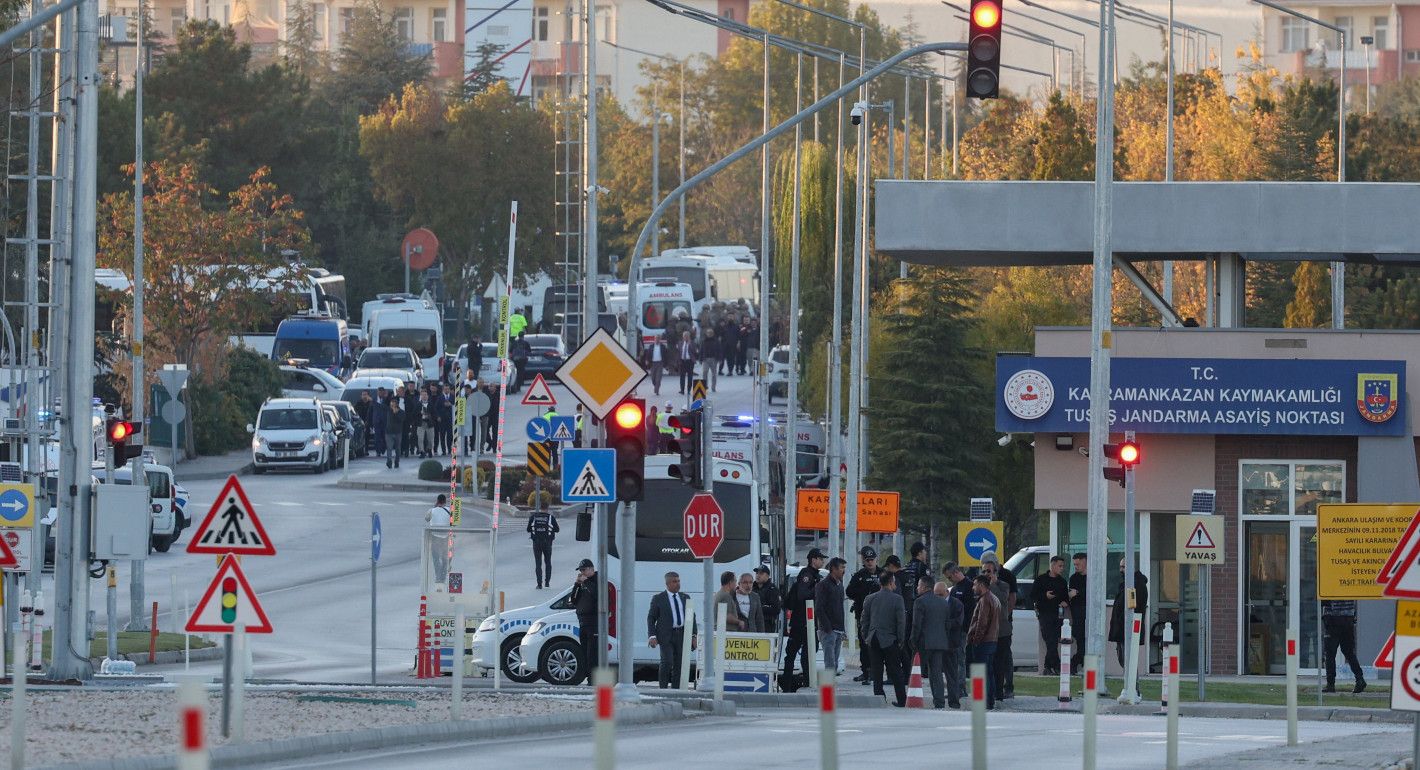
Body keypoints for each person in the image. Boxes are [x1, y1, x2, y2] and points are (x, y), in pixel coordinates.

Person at [913, 581, 964, 709]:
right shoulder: (940, 603)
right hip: (940, 642)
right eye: (936, 594)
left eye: (940, 594)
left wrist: (913, 640)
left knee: (948, 674)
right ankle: (939, 701)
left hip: (941, 643)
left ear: (947, 592)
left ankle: (951, 701)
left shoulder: (955, 604)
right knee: (935, 673)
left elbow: (958, 622)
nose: (938, 597)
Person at [780, 548, 826, 691]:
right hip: (801, 622)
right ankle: (791, 683)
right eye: (820, 558)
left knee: (809, 654)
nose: (823, 561)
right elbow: (802, 595)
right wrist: (818, 589)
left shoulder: (815, 575)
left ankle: (807, 682)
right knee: (795, 654)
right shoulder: (806, 574)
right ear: (813, 560)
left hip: (810, 622)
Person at [861, 572, 907, 707]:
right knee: (896, 670)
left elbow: (864, 620)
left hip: (873, 638)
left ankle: (879, 698)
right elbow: (900, 622)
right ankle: (901, 700)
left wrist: (866, 637)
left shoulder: (870, 598)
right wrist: (900, 639)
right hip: (890, 639)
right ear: (891, 582)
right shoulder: (897, 599)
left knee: (877, 670)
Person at [647, 571, 694, 689]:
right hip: (665, 635)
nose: (678, 584)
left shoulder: (685, 597)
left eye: (678, 581)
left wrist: (693, 635)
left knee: (679, 663)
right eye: (674, 581)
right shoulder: (658, 598)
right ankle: (663, 688)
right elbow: (651, 617)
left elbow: (691, 616)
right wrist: (652, 636)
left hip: (682, 634)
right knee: (667, 661)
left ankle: (676, 689)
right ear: (667, 583)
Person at [981, 551, 1017, 698]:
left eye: (988, 569)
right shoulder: (982, 579)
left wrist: (1004, 616)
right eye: (984, 569)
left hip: (1003, 622)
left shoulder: (1007, 577)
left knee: (1004, 656)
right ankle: (991, 688)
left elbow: (1010, 598)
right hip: (987, 625)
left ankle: (1007, 686)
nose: (986, 572)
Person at [846, 546, 882, 683]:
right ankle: (866, 671)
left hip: (880, 616)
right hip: (863, 615)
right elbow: (849, 592)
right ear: (863, 560)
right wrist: (862, 592)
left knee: (878, 643)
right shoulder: (859, 575)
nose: (870, 562)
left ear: (876, 559)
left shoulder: (882, 574)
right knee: (864, 643)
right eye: (867, 560)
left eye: (872, 559)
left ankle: (876, 670)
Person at [1031, 555, 1070, 675]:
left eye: (1063, 566)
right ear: (1052, 565)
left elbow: (1065, 597)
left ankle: (1048, 667)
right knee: (1049, 640)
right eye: (1059, 566)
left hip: (1057, 615)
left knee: (1053, 641)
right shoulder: (1041, 579)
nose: (1061, 568)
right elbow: (1032, 596)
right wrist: (1045, 596)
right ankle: (1056, 666)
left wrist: (1065, 602)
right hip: (1044, 614)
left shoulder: (1062, 582)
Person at [967, 574, 1001, 709]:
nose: (973, 587)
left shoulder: (985, 600)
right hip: (992, 641)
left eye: (975, 585)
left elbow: (982, 623)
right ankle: (989, 701)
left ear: (981, 585)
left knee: (980, 672)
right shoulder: (994, 598)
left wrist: (975, 640)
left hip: (983, 641)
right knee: (989, 673)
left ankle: (981, 701)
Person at [1109, 561, 1150, 674]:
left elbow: (1134, 607)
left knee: (1128, 660)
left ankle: (1133, 687)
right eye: (1120, 566)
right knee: (1123, 659)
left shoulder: (1137, 585)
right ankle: (1130, 686)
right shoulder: (1127, 584)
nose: (1120, 570)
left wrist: (1123, 621)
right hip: (1122, 628)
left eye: (1123, 567)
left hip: (1128, 628)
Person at [944, 562, 974, 702]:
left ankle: (961, 688)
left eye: (950, 577)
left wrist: (966, 628)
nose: (949, 580)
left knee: (960, 660)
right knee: (953, 660)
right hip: (954, 630)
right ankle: (954, 687)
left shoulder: (969, 586)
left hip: (963, 629)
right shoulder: (955, 589)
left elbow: (970, 611)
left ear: (956, 573)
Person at [1321, 600, 1366, 693]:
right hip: (1348, 618)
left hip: (1332, 618)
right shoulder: (1347, 585)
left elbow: (1324, 600)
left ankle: (1330, 684)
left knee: (1330, 654)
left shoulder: (1329, 585)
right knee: (1349, 652)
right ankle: (1359, 678)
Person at [815, 557, 848, 675]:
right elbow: (819, 608)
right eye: (841, 568)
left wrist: (843, 629)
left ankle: (831, 686)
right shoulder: (823, 585)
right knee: (829, 662)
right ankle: (827, 689)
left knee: (835, 662)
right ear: (833, 569)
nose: (843, 571)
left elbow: (840, 608)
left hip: (838, 629)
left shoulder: (840, 585)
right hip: (828, 630)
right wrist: (828, 628)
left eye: (844, 568)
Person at [570, 558, 602, 679]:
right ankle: (588, 676)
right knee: (584, 651)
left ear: (591, 569)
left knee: (592, 653)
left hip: (593, 622)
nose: (582, 573)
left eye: (584, 570)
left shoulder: (597, 580)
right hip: (582, 622)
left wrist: (586, 582)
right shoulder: (582, 583)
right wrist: (577, 584)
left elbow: (597, 594)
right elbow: (573, 600)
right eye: (580, 570)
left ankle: (594, 679)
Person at [527, 505, 559, 589]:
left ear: (540, 509)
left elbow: (528, 529)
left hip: (536, 543)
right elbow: (557, 529)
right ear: (547, 509)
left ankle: (539, 584)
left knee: (538, 563)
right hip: (547, 542)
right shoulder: (551, 518)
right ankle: (547, 582)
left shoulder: (533, 517)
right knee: (548, 562)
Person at [1068, 552, 1088, 673]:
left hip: (1088, 614)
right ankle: (1075, 663)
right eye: (1074, 564)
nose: (1076, 567)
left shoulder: (1091, 577)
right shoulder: (1074, 578)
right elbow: (1072, 594)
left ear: (1085, 562)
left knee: (1087, 643)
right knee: (1080, 642)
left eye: (1078, 564)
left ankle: (1077, 663)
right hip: (1077, 614)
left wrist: (1079, 593)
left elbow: (1090, 593)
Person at [425, 494, 452, 583]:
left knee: (436, 558)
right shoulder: (449, 510)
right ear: (445, 501)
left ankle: (438, 577)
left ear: (437, 501)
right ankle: (443, 577)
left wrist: (434, 507)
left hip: (435, 537)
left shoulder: (432, 510)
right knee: (445, 558)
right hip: (446, 538)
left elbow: (426, 519)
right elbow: (454, 522)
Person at [752, 566, 782, 633]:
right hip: (752, 624)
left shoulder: (773, 590)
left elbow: (776, 609)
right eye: (757, 573)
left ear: (767, 576)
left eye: (761, 573)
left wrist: (758, 607)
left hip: (766, 625)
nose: (758, 575)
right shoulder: (752, 588)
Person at [675, 330, 699, 395]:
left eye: (687, 336)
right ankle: (682, 390)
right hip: (682, 361)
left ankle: (688, 390)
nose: (685, 337)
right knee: (682, 376)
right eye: (684, 336)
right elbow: (678, 352)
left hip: (690, 361)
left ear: (689, 336)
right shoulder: (680, 343)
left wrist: (689, 344)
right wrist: (677, 361)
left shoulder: (692, 343)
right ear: (683, 337)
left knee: (690, 376)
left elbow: (695, 351)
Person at [384, 399, 405, 468]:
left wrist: (396, 413)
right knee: (389, 448)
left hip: (398, 433)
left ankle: (397, 461)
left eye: (393, 404)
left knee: (398, 448)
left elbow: (401, 420)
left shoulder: (401, 412)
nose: (392, 405)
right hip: (388, 433)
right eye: (391, 404)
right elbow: (380, 406)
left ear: (397, 404)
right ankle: (389, 461)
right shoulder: (388, 410)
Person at [700, 328, 722, 392]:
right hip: (705, 359)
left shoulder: (716, 341)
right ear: (706, 334)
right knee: (704, 372)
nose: (709, 334)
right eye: (708, 333)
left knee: (714, 374)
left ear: (713, 334)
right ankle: (704, 386)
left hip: (713, 359)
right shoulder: (703, 341)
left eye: (711, 333)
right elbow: (701, 350)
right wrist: (700, 359)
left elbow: (720, 350)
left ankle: (713, 387)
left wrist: (720, 359)